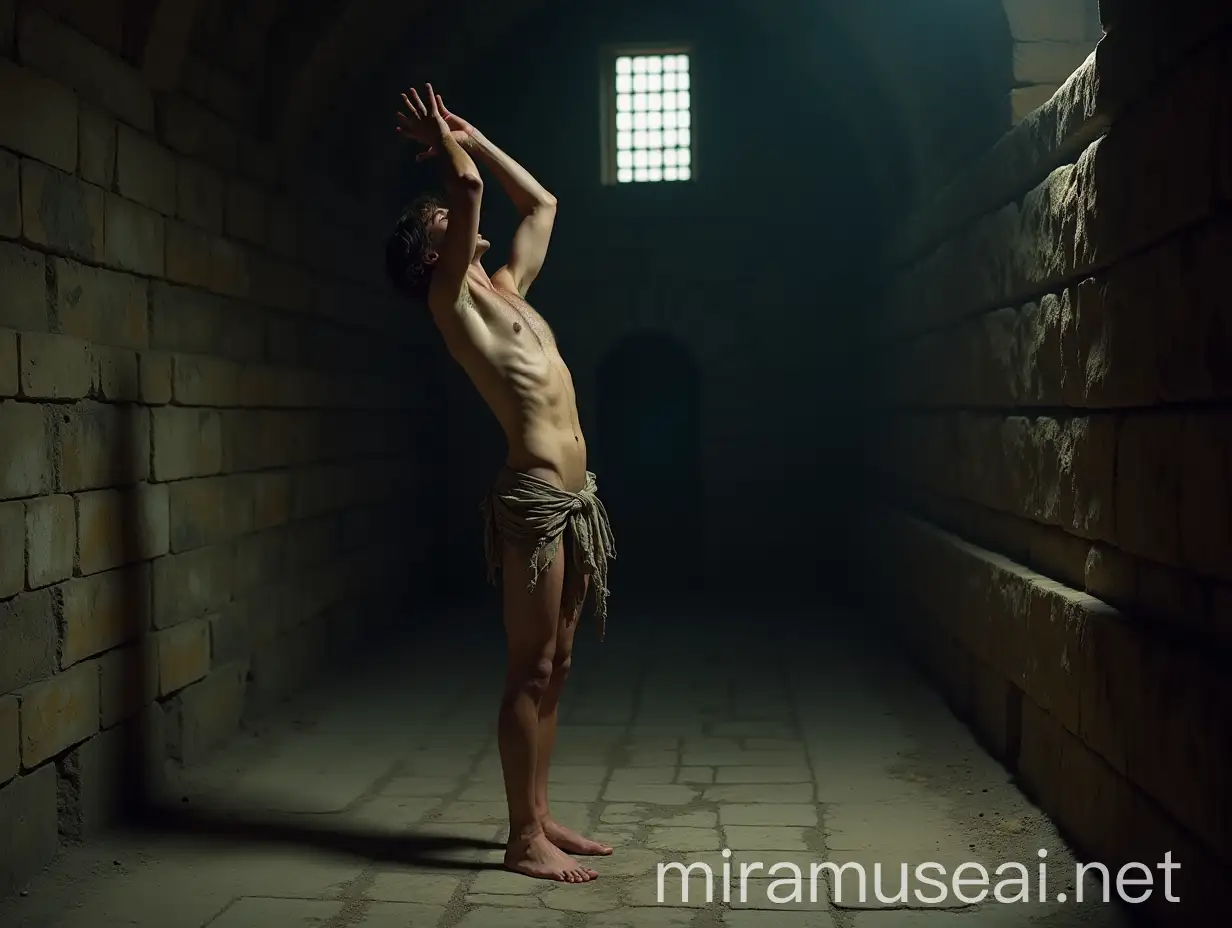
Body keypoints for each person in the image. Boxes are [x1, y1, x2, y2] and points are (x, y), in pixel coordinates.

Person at [385, 85, 616, 883]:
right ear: (428, 254)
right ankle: (522, 840)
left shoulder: (508, 293)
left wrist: (472, 133)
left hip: (577, 502)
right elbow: (473, 192)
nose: (457, 216)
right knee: (532, 666)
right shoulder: (453, 306)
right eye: (440, 219)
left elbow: (543, 202)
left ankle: (542, 817)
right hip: (534, 503)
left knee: (559, 661)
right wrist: (451, 155)